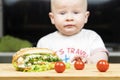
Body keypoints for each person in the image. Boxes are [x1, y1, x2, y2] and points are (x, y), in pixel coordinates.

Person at [37, 0, 108, 64]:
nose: (69, 18)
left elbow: (101, 56)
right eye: (62, 13)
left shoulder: (92, 37)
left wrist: (90, 61)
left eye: (76, 12)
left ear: (85, 17)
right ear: (52, 18)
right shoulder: (44, 42)